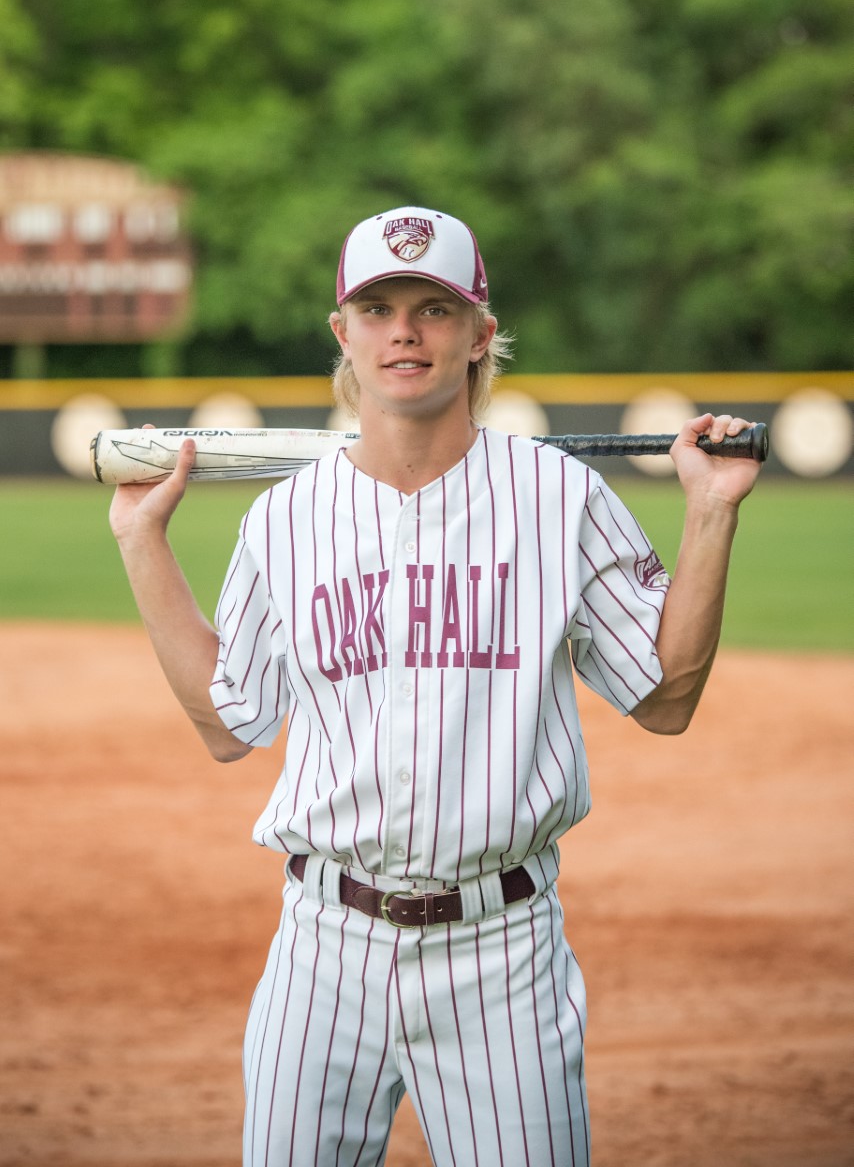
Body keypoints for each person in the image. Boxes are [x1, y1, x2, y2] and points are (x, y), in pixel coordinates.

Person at [110, 205, 762, 1167]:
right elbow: (228, 724)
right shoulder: (284, 521)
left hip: (501, 953)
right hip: (320, 949)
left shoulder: (561, 498)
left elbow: (665, 698)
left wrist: (710, 513)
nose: (404, 330)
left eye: (433, 307)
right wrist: (141, 541)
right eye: (377, 308)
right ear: (344, 331)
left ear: (479, 335)